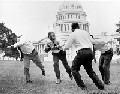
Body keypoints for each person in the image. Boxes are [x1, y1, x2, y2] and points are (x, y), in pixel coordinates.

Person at [63, 23, 105, 90]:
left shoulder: (73, 34)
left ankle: (82, 87)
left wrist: (63, 48)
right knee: (90, 71)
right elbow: (93, 41)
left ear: (72, 28)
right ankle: (101, 86)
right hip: (89, 51)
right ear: (78, 26)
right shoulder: (85, 33)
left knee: (74, 69)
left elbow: (67, 46)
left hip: (81, 52)